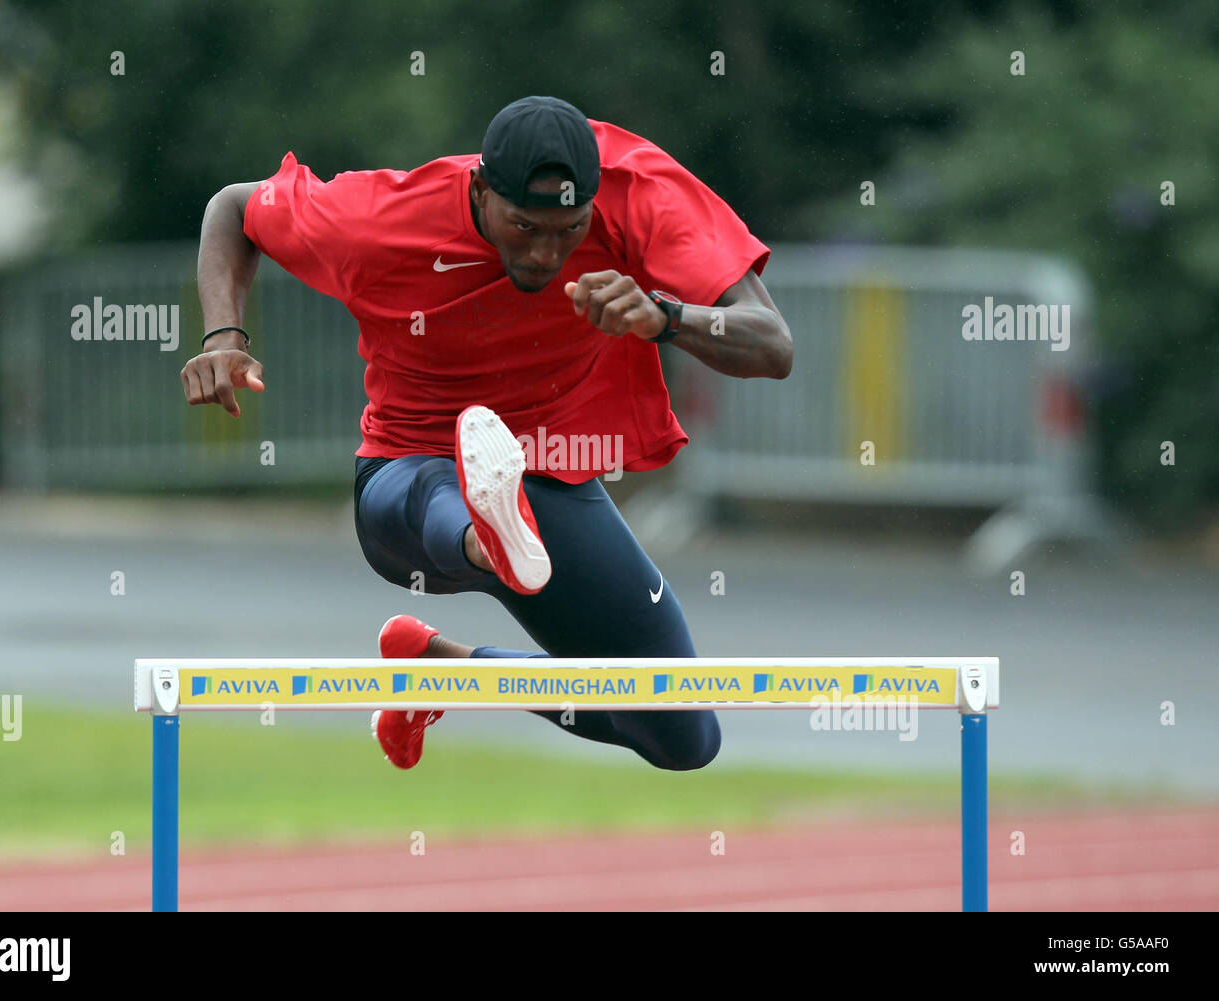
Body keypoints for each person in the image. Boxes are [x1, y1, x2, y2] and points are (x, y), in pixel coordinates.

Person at [182, 95, 792, 772]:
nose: (547, 253)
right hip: (409, 478)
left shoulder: (641, 191)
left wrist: (666, 316)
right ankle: (485, 534)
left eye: (570, 230)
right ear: (479, 190)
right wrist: (224, 337)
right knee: (444, 488)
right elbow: (234, 208)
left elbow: (772, 344)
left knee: (680, 735)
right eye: (524, 226)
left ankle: (442, 665)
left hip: (551, 479)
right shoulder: (377, 218)